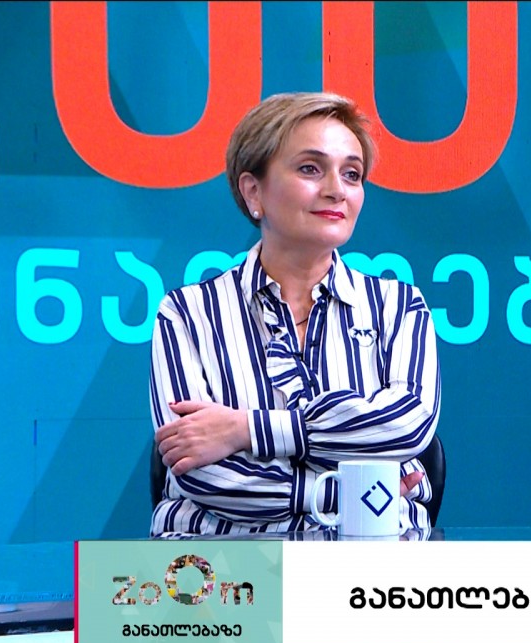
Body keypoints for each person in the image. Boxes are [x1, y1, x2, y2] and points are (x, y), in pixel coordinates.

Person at [150, 92, 440, 536]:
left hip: (372, 557)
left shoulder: (398, 307)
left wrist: (247, 430)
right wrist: (339, 491)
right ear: (253, 191)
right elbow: (199, 469)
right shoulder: (188, 314)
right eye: (310, 168)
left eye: (352, 174)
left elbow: (406, 429)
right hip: (227, 562)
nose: (336, 190)